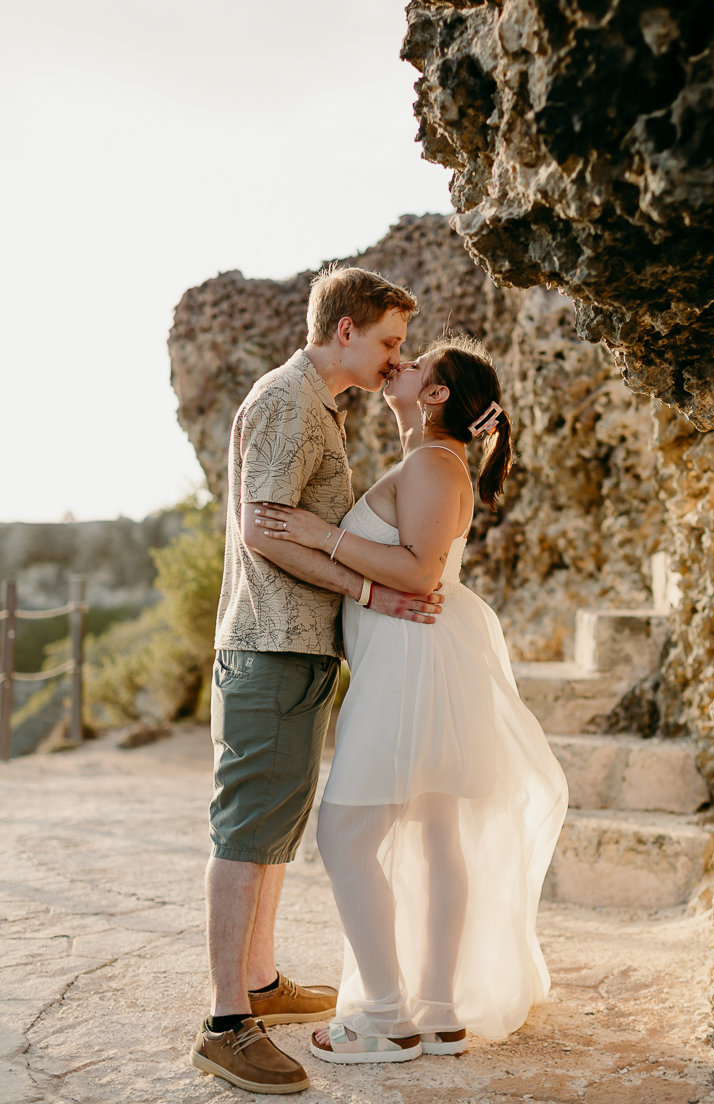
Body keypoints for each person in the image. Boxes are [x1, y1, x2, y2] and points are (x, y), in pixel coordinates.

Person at [256, 334, 569, 1066]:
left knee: (345, 836)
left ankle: (389, 1018)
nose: (402, 363)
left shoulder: (431, 462)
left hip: (411, 662)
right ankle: (435, 1012)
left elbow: (420, 573)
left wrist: (318, 534)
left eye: (418, 362)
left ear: (434, 396)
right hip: (416, 657)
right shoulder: (433, 460)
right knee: (434, 830)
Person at [190, 266, 445, 1096]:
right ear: (345, 331)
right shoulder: (286, 401)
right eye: (387, 343)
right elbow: (265, 533)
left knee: (273, 828)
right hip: (268, 645)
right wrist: (373, 591)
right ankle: (228, 1022)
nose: (392, 359)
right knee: (246, 828)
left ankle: (261, 980)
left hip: (296, 650)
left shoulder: (317, 407)